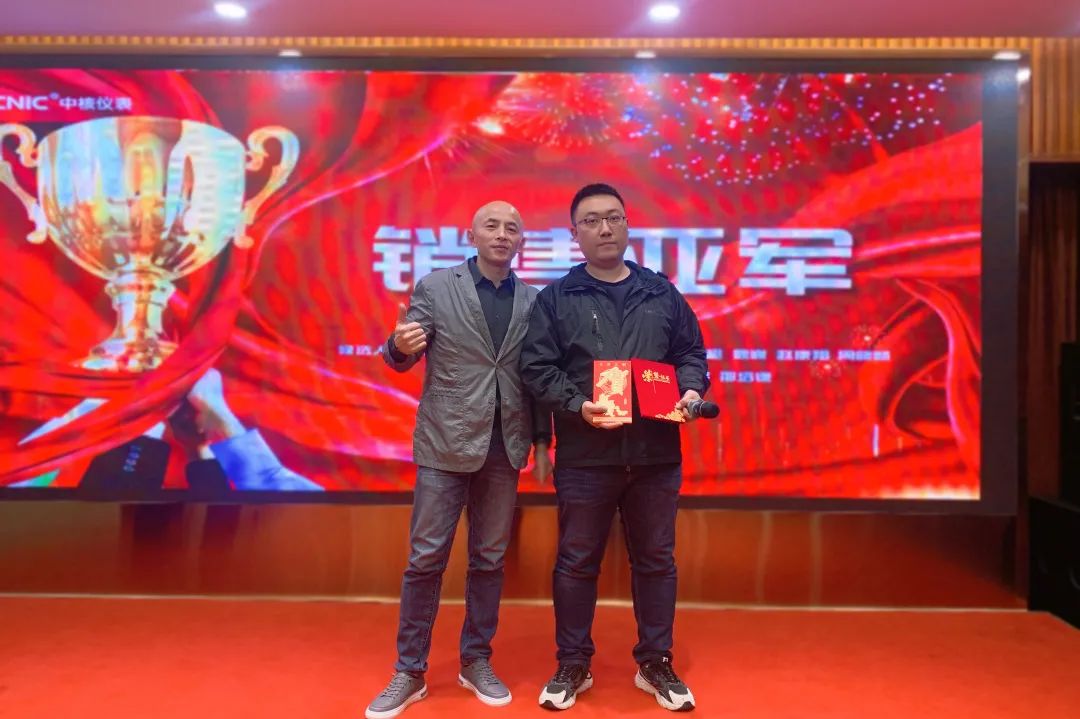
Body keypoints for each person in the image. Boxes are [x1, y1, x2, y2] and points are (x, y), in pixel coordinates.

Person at [520, 183, 709, 712]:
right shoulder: (557, 298)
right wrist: (577, 404)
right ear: (575, 233)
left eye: (614, 218)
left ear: (627, 225)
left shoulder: (661, 292)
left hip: (656, 455)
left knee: (656, 561)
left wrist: (690, 389)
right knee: (577, 561)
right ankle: (572, 662)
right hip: (586, 455)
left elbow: (690, 352)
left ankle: (656, 661)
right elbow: (536, 367)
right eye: (592, 221)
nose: (605, 228)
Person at [366, 200, 552, 719]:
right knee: (425, 559)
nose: (502, 234)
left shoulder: (533, 301)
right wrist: (398, 345)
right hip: (444, 442)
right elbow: (403, 355)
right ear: (472, 235)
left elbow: (536, 378)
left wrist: (541, 442)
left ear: (522, 241)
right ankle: (409, 670)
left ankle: (476, 659)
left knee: (489, 560)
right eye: (491, 225)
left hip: (504, 446)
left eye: (512, 228)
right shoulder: (435, 287)